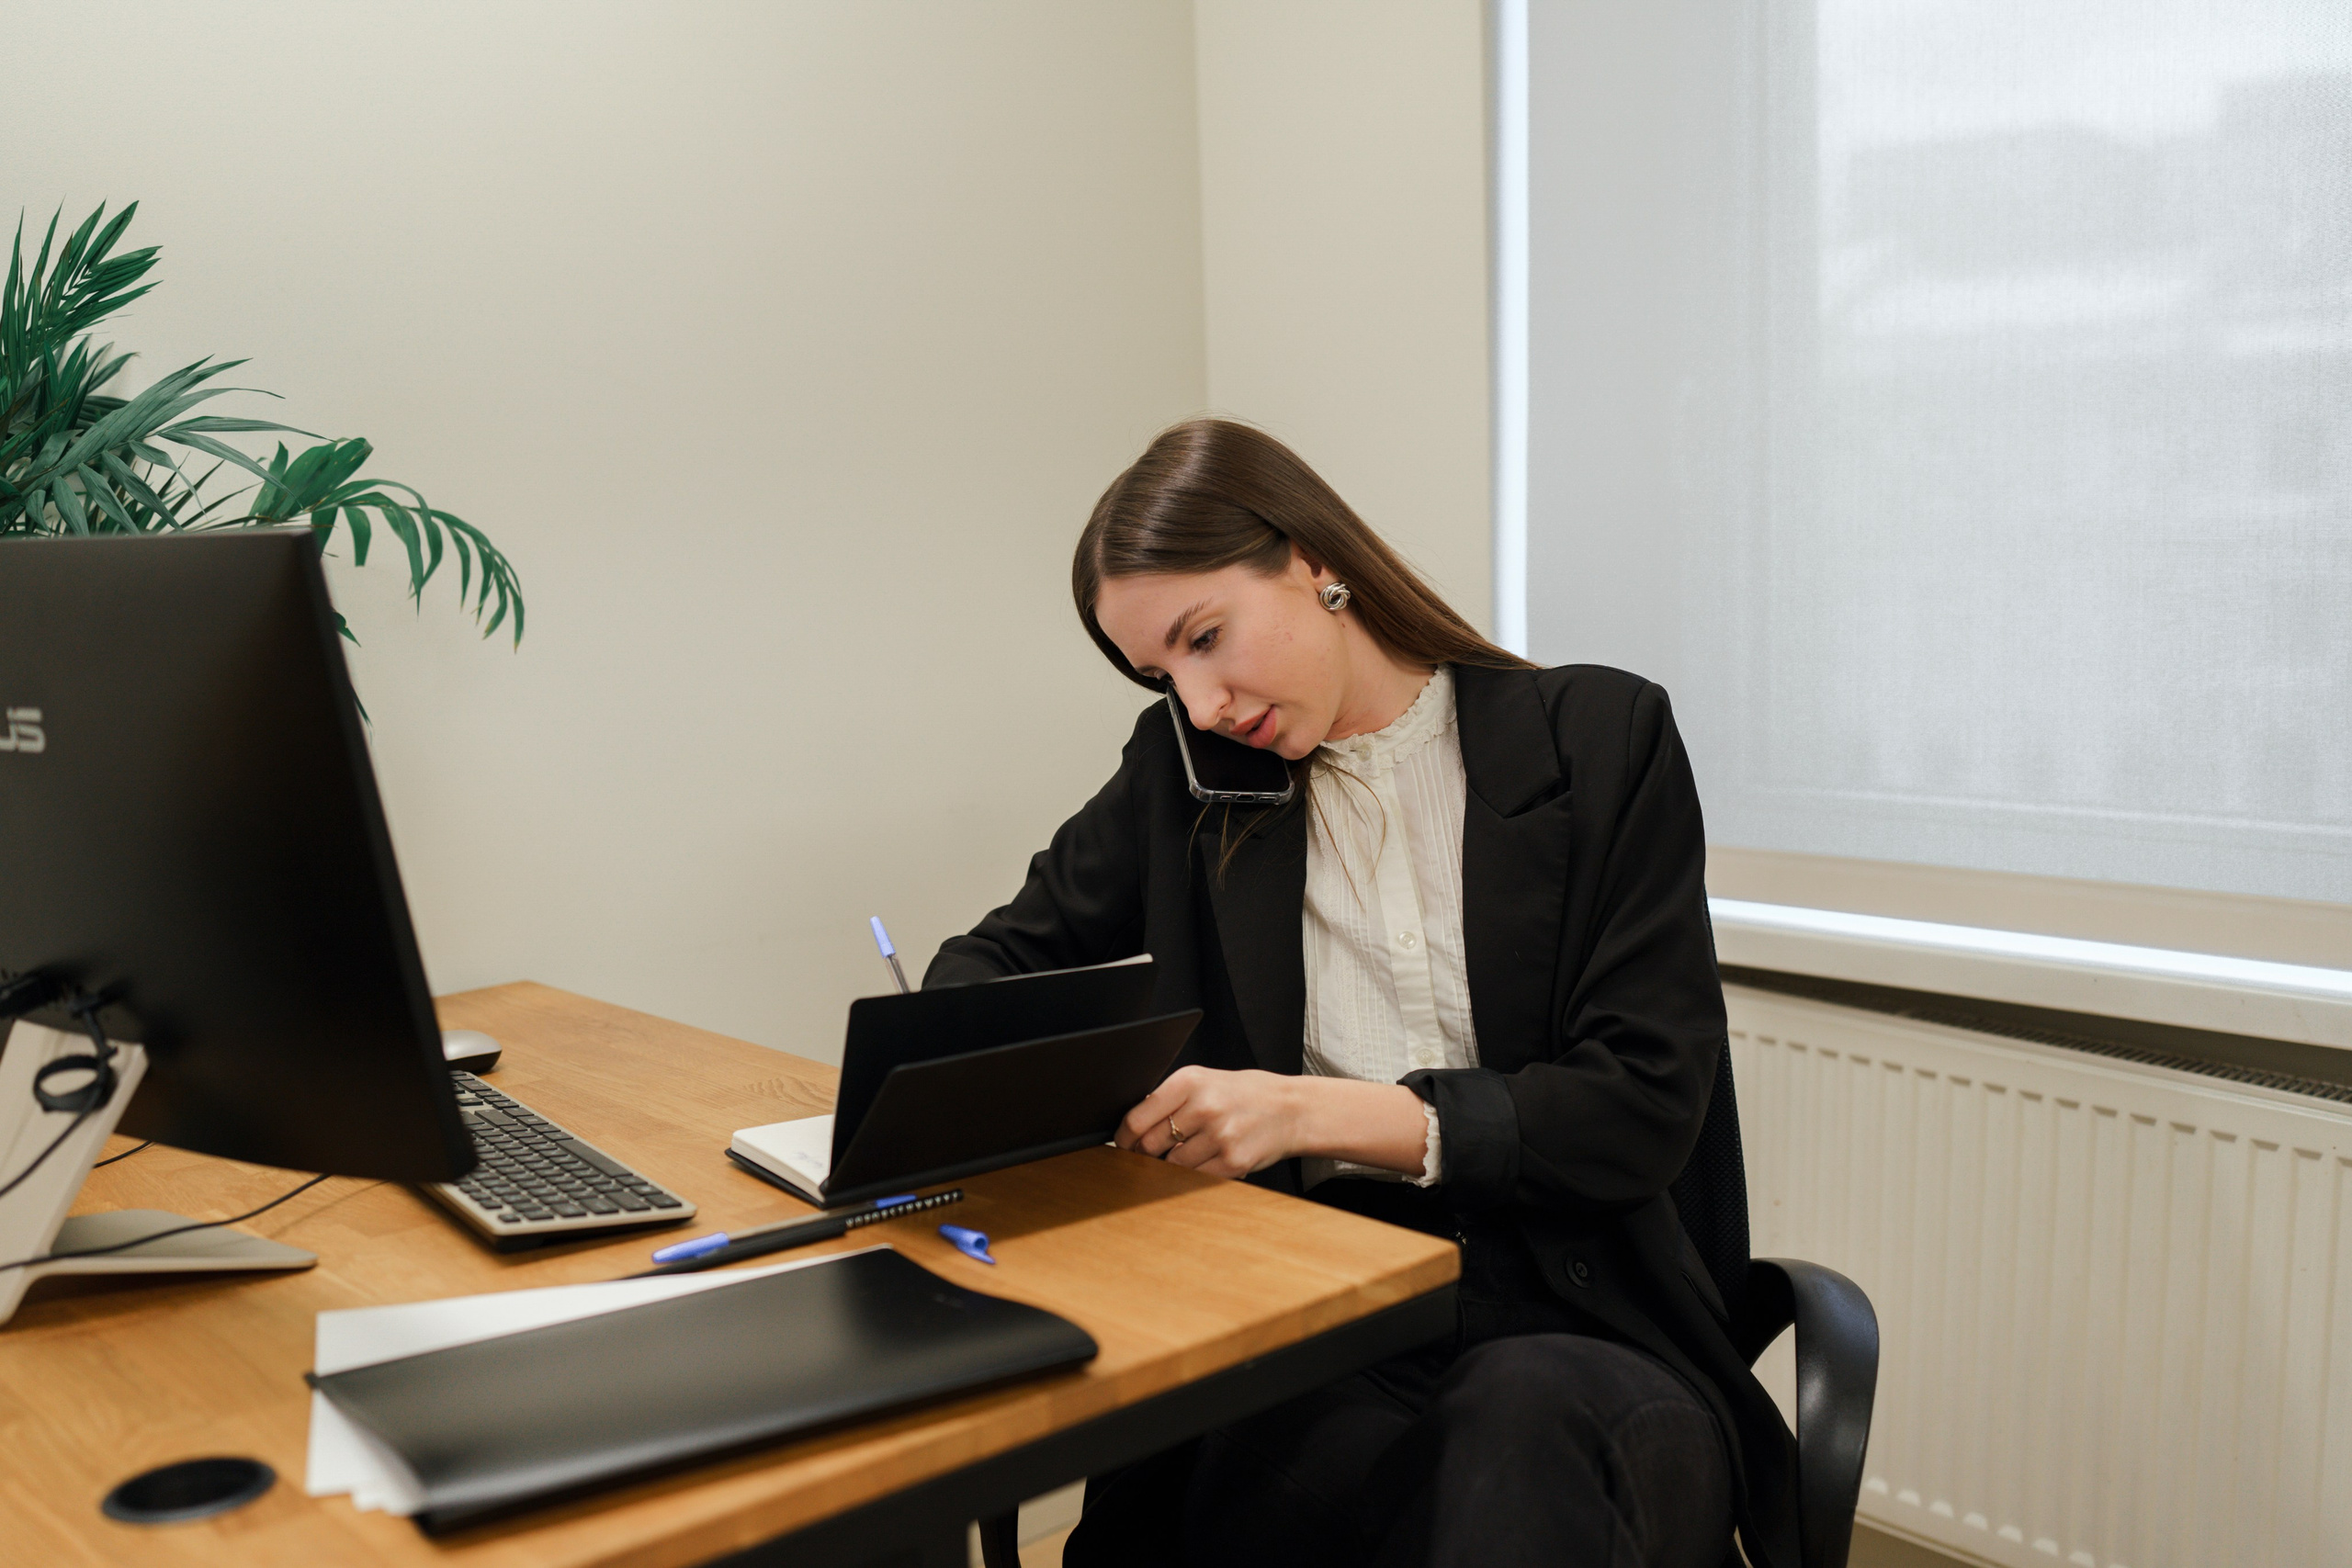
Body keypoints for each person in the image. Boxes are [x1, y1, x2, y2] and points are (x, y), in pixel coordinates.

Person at [924, 419, 1798, 1568]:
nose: (1201, 703)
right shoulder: (1183, 776)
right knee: (1215, 1474)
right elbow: (985, 971)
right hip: (1325, 1309)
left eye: (1205, 638)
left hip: (1586, 1318)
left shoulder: (1600, 741)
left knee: (1514, 1433)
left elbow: (1636, 1106)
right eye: (1162, 675)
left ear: (1314, 562)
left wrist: (1298, 1111)